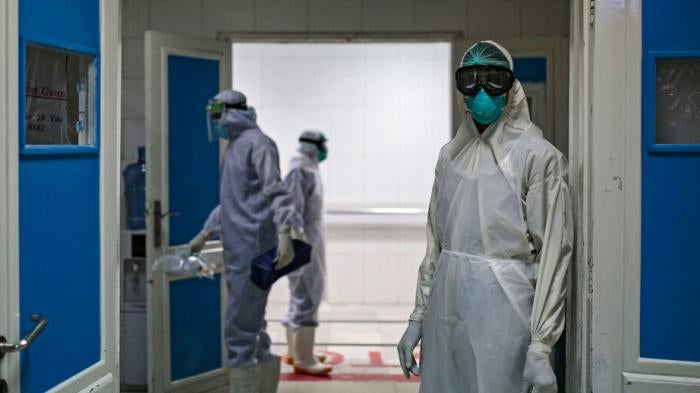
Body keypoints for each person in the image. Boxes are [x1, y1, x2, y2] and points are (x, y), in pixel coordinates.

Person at [396, 41, 573, 393]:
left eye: (492, 80)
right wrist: (418, 317)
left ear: (511, 88)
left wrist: (541, 344)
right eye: (470, 80)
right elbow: (436, 245)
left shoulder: (538, 158)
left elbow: (554, 253)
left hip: (506, 316)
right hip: (447, 314)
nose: (480, 91)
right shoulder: (450, 158)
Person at [188, 89, 306, 393]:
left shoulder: (259, 145)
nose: (214, 124)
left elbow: (276, 192)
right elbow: (232, 202)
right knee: (252, 323)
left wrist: (284, 234)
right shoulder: (235, 148)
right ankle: (263, 381)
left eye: (217, 117)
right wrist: (204, 234)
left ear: (231, 114)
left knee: (240, 328)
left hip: (254, 249)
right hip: (238, 249)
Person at [280, 131, 332, 376]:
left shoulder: (307, 168)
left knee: (301, 293)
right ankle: (304, 358)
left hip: (310, 236)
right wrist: (298, 241)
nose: (325, 150)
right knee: (308, 294)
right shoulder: (300, 169)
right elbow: (292, 209)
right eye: (322, 146)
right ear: (312, 147)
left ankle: (297, 351)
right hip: (304, 240)